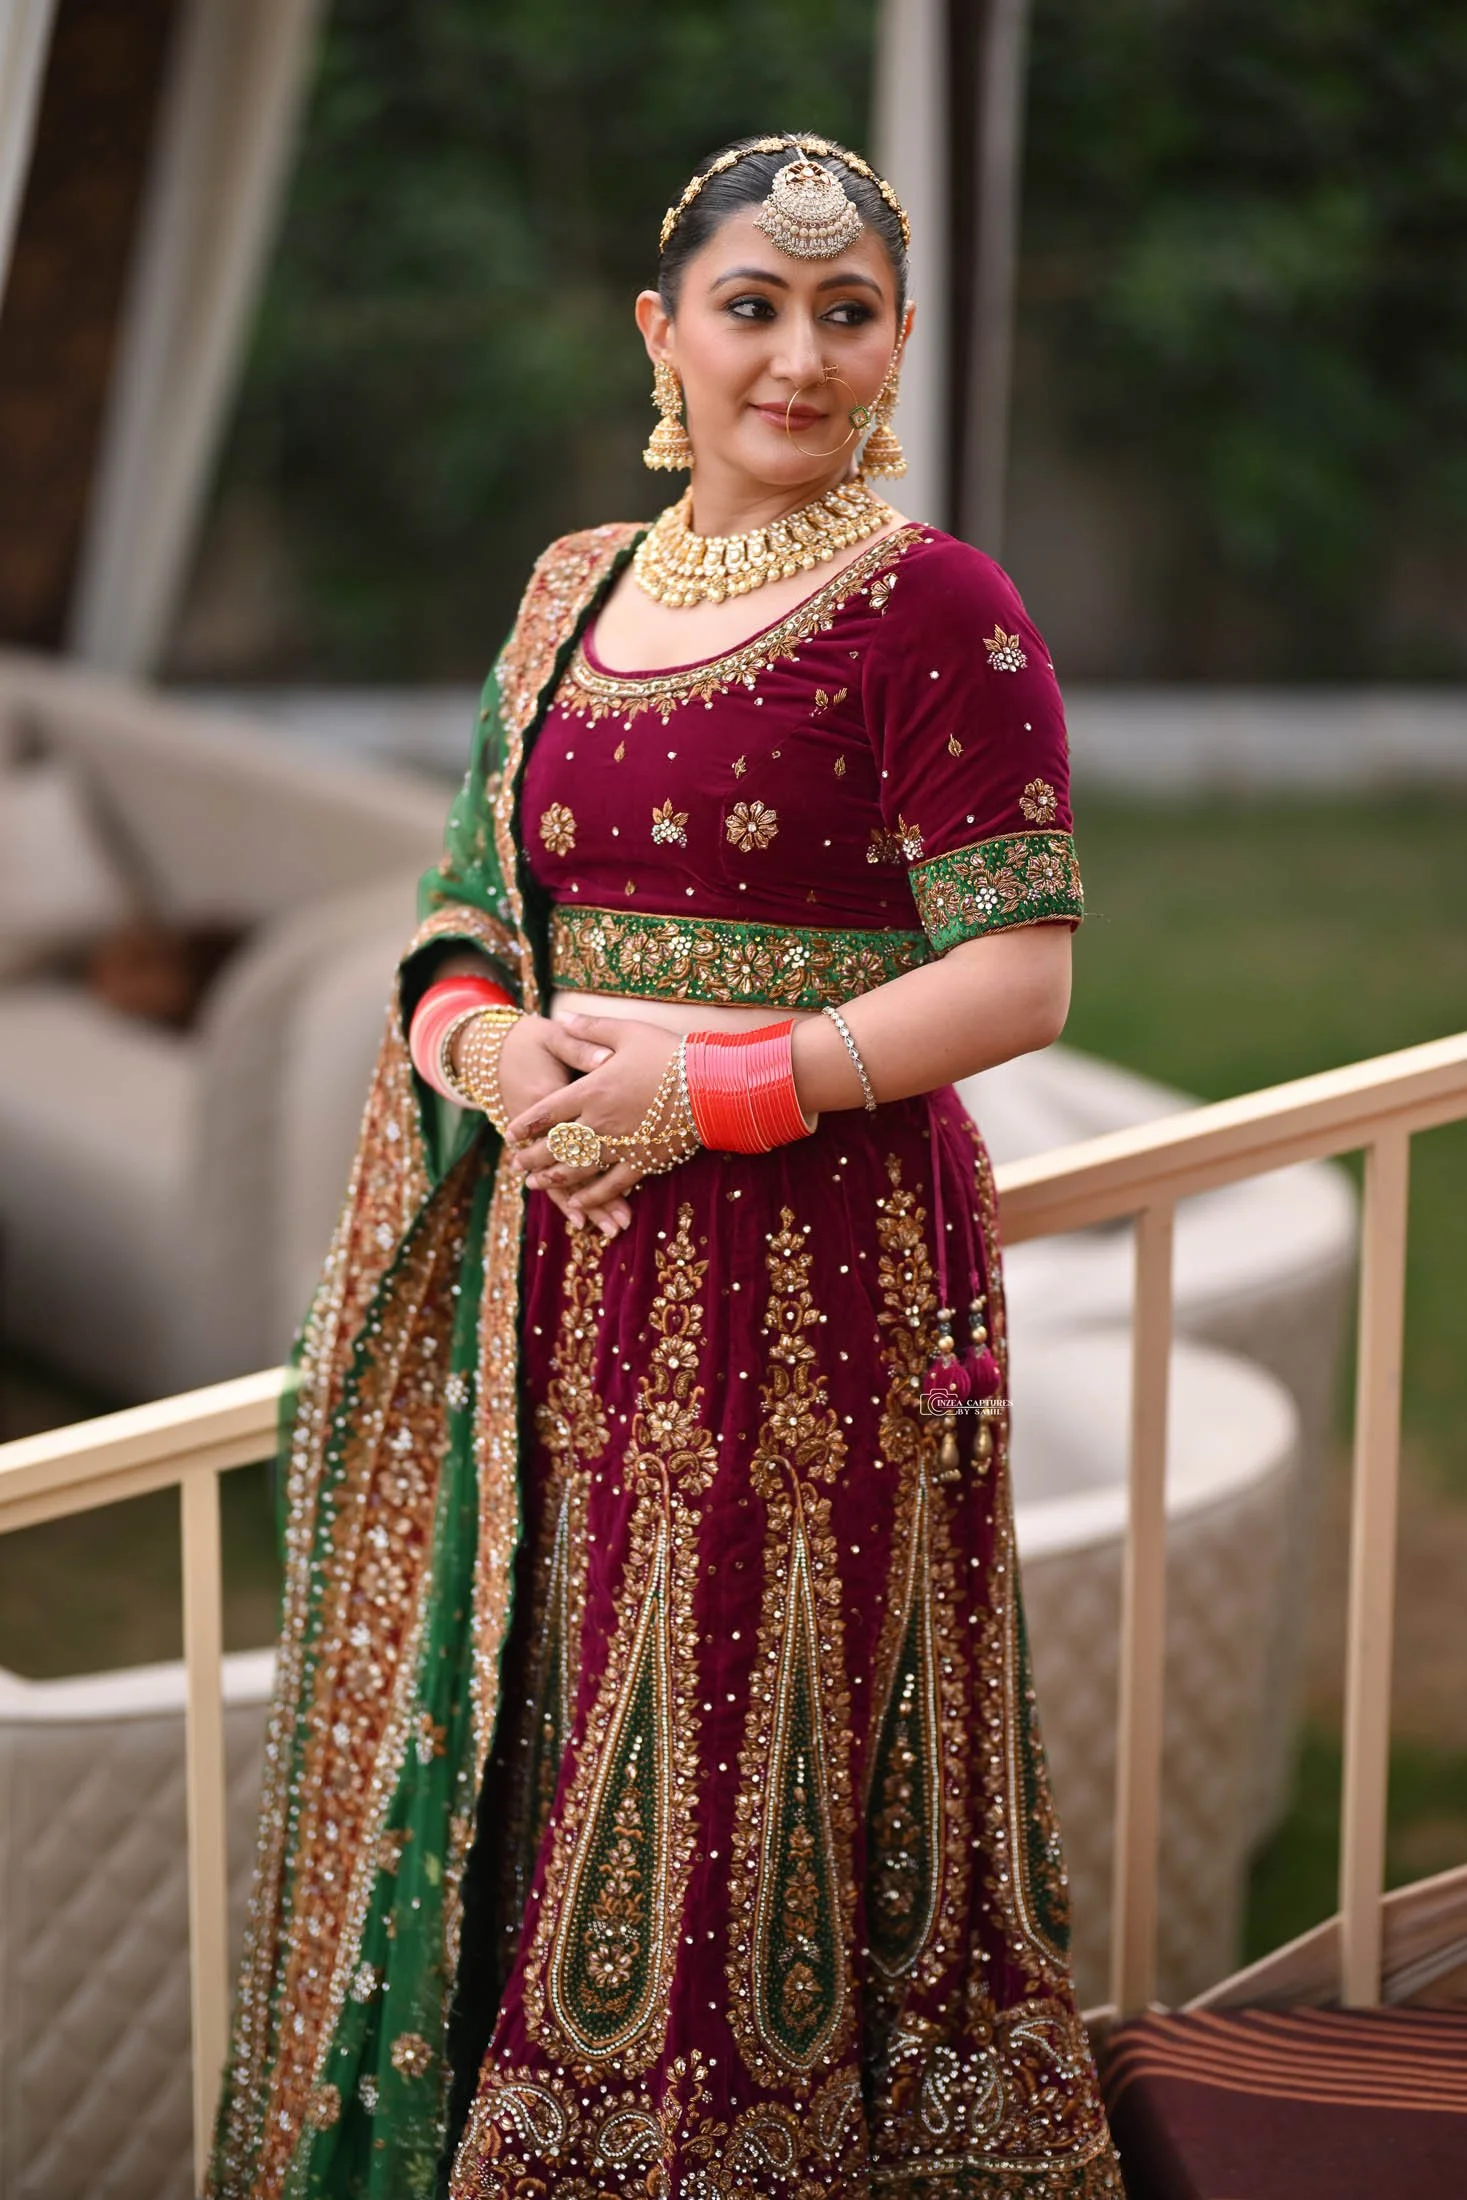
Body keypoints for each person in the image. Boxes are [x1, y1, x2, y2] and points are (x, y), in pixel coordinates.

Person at [207, 132, 1124, 2200]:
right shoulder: (571, 590)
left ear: (895, 343)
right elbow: (461, 911)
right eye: (750, 307)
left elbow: (1022, 975)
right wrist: (488, 1050)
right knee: (550, 1716)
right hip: (559, 1275)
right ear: (663, 332)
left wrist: (705, 1099)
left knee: (738, 1740)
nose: (795, 358)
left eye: (844, 314)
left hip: (812, 1287)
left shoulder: (938, 607)